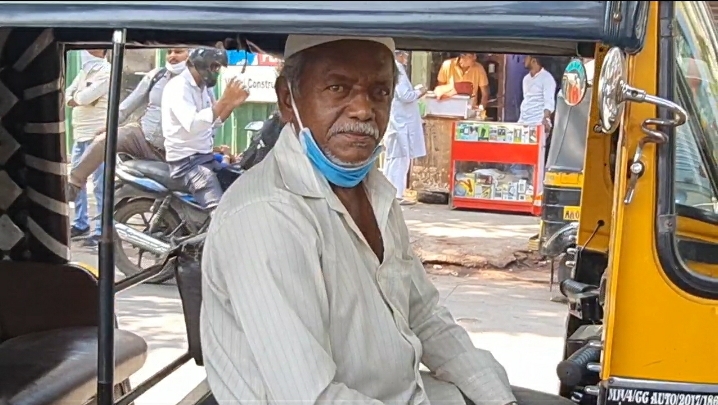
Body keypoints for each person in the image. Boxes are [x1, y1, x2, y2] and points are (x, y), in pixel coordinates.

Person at [200, 34, 574, 405]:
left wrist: (498, 399)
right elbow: (311, 398)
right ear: (288, 100)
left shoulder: (373, 192)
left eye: (379, 92)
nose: (363, 110)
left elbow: (423, 315)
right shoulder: (266, 216)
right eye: (337, 88)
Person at [66, 48, 191, 204]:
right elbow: (127, 106)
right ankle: (73, 185)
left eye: (178, 52)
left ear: (189, 55)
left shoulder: (198, 82)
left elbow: (211, 117)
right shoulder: (156, 76)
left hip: (173, 151)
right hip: (142, 136)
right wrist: (110, 126)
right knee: (103, 141)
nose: (172, 56)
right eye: (169, 52)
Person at [161, 47, 249, 208]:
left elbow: (213, 122)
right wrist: (224, 100)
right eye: (214, 67)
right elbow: (194, 125)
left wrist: (231, 105)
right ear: (202, 65)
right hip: (186, 163)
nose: (216, 72)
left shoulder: (203, 88)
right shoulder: (179, 87)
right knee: (219, 210)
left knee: (238, 184)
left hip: (204, 158)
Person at [66, 49, 111, 245]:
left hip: (97, 138)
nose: (85, 50)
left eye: (90, 47)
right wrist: (78, 97)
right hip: (80, 135)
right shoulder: (84, 72)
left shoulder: (107, 72)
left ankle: (101, 229)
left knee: (100, 185)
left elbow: (83, 98)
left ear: (101, 50)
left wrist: (78, 98)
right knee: (76, 181)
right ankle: (80, 223)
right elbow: (67, 95)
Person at [383, 50, 427, 205]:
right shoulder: (398, 70)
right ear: (398, 55)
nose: (407, 58)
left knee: (395, 158)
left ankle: (392, 192)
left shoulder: (393, 68)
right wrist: (420, 91)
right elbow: (405, 96)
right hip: (401, 124)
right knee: (400, 159)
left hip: (399, 122)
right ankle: (397, 194)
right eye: (405, 55)